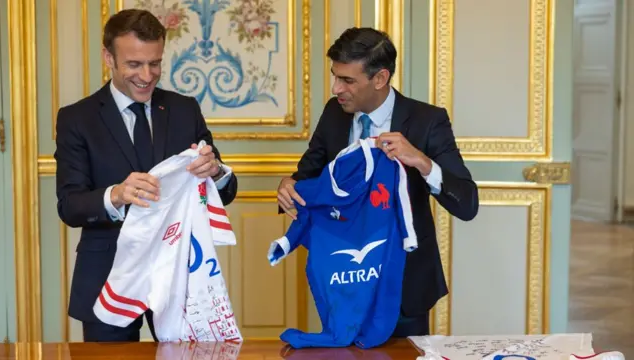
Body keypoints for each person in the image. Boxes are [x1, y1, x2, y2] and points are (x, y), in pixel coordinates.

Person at [276, 27, 479, 337]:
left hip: (404, 286)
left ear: (380, 79)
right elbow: (307, 175)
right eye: (335, 76)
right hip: (343, 279)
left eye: (347, 80)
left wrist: (422, 162)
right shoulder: (334, 113)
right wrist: (288, 185)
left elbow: (467, 204)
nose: (335, 88)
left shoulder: (427, 121)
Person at [54, 9, 238, 342]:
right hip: (106, 276)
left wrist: (216, 171)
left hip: (180, 275)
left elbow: (223, 190)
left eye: (155, 63)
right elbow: (69, 205)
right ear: (109, 57)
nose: (147, 75)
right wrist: (117, 195)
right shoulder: (76, 119)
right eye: (134, 64)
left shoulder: (184, 109)